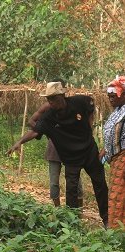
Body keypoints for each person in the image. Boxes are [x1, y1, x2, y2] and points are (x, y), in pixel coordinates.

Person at [8, 81, 108, 227]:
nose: (51, 102)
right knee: (71, 190)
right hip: (70, 157)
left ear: (62, 95)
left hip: (89, 151)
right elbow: (35, 131)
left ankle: (107, 219)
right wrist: (19, 142)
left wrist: (89, 124)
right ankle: (72, 223)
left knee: (100, 184)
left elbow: (91, 104)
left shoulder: (79, 102)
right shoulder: (49, 117)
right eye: (48, 99)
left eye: (54, 98)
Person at [28, 94, 84, 208]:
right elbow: (32, 121)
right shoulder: (47, 107)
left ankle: (78, 211)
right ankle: (58, 210)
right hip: (54, 149)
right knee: (54, 182)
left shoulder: (73, 107)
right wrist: (48, 131)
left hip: (70, 149)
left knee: (76, 180)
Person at [100, 76, 125, 229]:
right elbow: (112, 133)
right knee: (118, 194)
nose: (111, 99)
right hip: (116, 158)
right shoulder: (117, 111)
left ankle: (116, 230)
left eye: (113, 96)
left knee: (118, 195)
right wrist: (105, 149)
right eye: (109, 97)